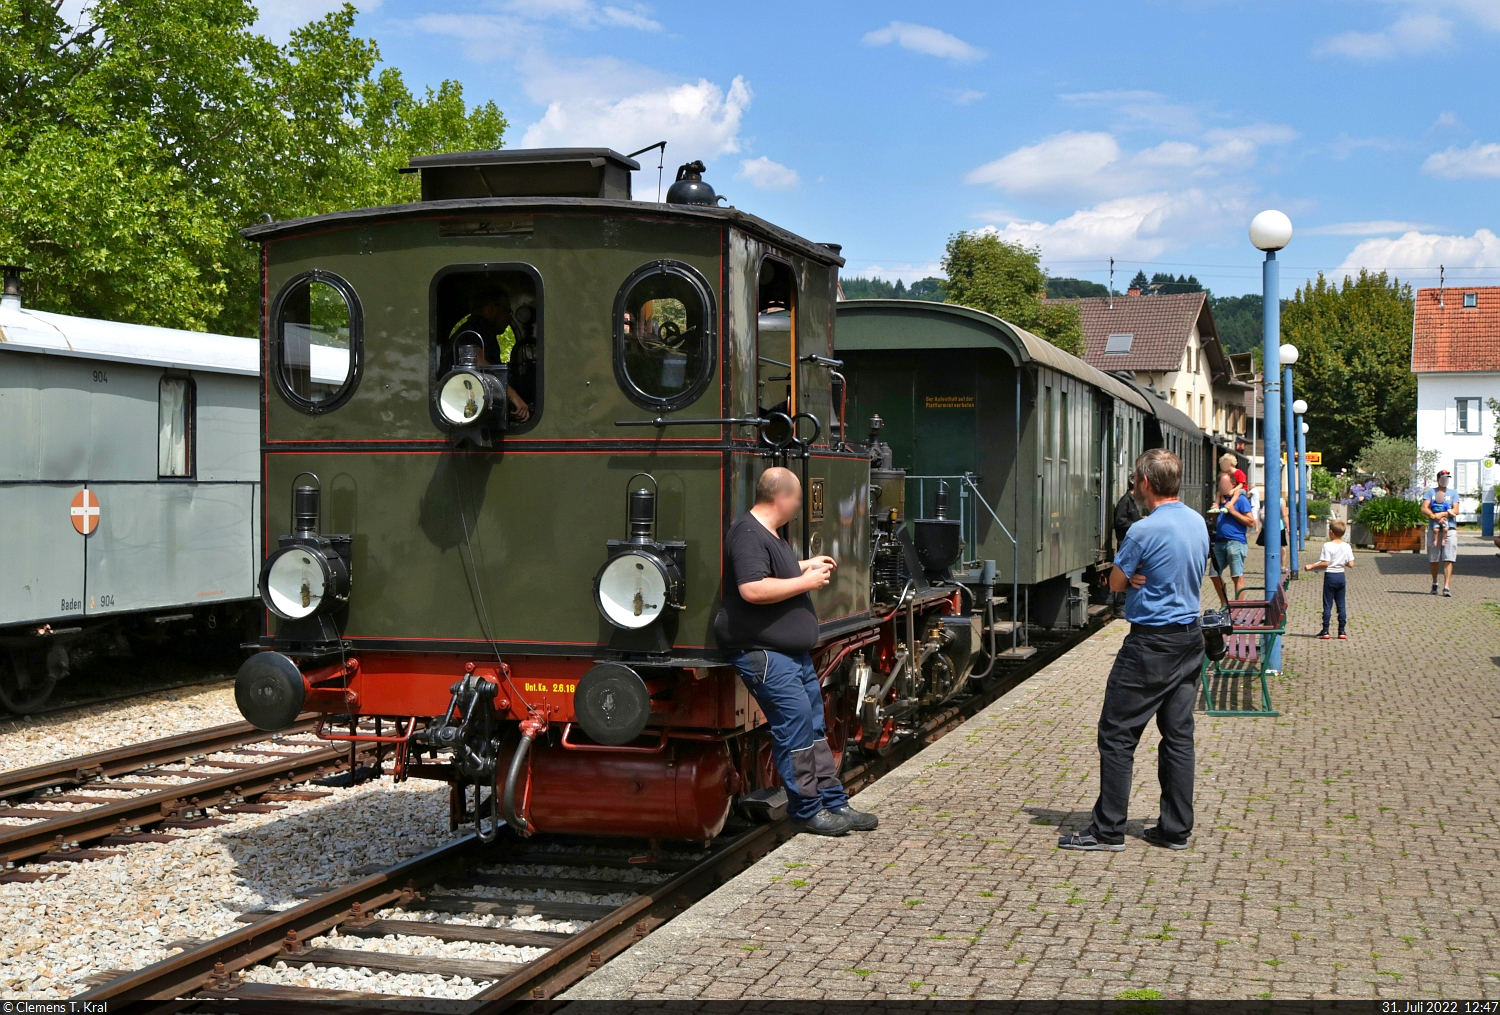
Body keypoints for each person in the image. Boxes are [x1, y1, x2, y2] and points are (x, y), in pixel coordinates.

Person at [1059, 449, 1209, 852]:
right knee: (1178, 737)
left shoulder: (1143, 530)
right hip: (1189, 639)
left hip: (1151, 643)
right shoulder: (1197, 522)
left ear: (1145, 482)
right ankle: (1175, 830)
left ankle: (1107, 831)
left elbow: (1116, 583)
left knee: (1117, 735)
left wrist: (1134, 576)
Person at [715, 467, 877, 837]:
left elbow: (775, 574)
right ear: (782, 497)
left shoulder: (770, 534)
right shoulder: (747, 533)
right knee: (795, 729)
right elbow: (752, 589)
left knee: (814, 726)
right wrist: (805, 581)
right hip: (765, 652)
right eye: (798, 499)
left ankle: (833, 802)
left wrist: (805, 566)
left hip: (789, 653)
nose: (799, 507)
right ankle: (806, 811)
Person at [449, 291, 531, 422]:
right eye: (506, 312)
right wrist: (514, 397)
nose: (509, 318)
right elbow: (477, 362)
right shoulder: (477, 328)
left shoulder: (477, 329)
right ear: (491, 309)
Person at [1209, 473, 1254, 606]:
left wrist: (1233, 511)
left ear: (1232, 485)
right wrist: (1215, 514)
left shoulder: (1240, 500)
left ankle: (1238, 608)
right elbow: (1218, 523)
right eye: (1220, 484)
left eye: (1225, 484)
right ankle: (1225, 604)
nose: (1222, 486)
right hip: (1219, 542)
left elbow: (1251, 522)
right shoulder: (1221, 500)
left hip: (1236, 542)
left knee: (1236, 576)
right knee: (1213, 574)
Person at [1305, 518, 1354, 639]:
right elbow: (1351, 564)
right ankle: (1342, 631)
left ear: (1331, 532)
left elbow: (1326, 563)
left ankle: (1326, 630)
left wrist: (1312, 566)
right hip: (1341, 576)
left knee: (1328, 604)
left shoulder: (1327, 545)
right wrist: (1341, 562)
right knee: (1341, 604)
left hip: (1330, 576)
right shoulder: (1347, 546)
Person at [1422, 470, 1460, 596]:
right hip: (1434, 529)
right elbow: (1424, 508)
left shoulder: (1453, 493)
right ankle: (1434, 582)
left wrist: (1443, 514)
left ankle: (1447, 586)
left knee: (1449, 558)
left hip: (1450, 529)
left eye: (1447, 478)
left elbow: (1456, 510)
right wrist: (1434, 516)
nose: (1445, 480)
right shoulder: (1430, 492)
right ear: (1438, 479)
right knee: (1434, 558)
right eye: (1443, 478)